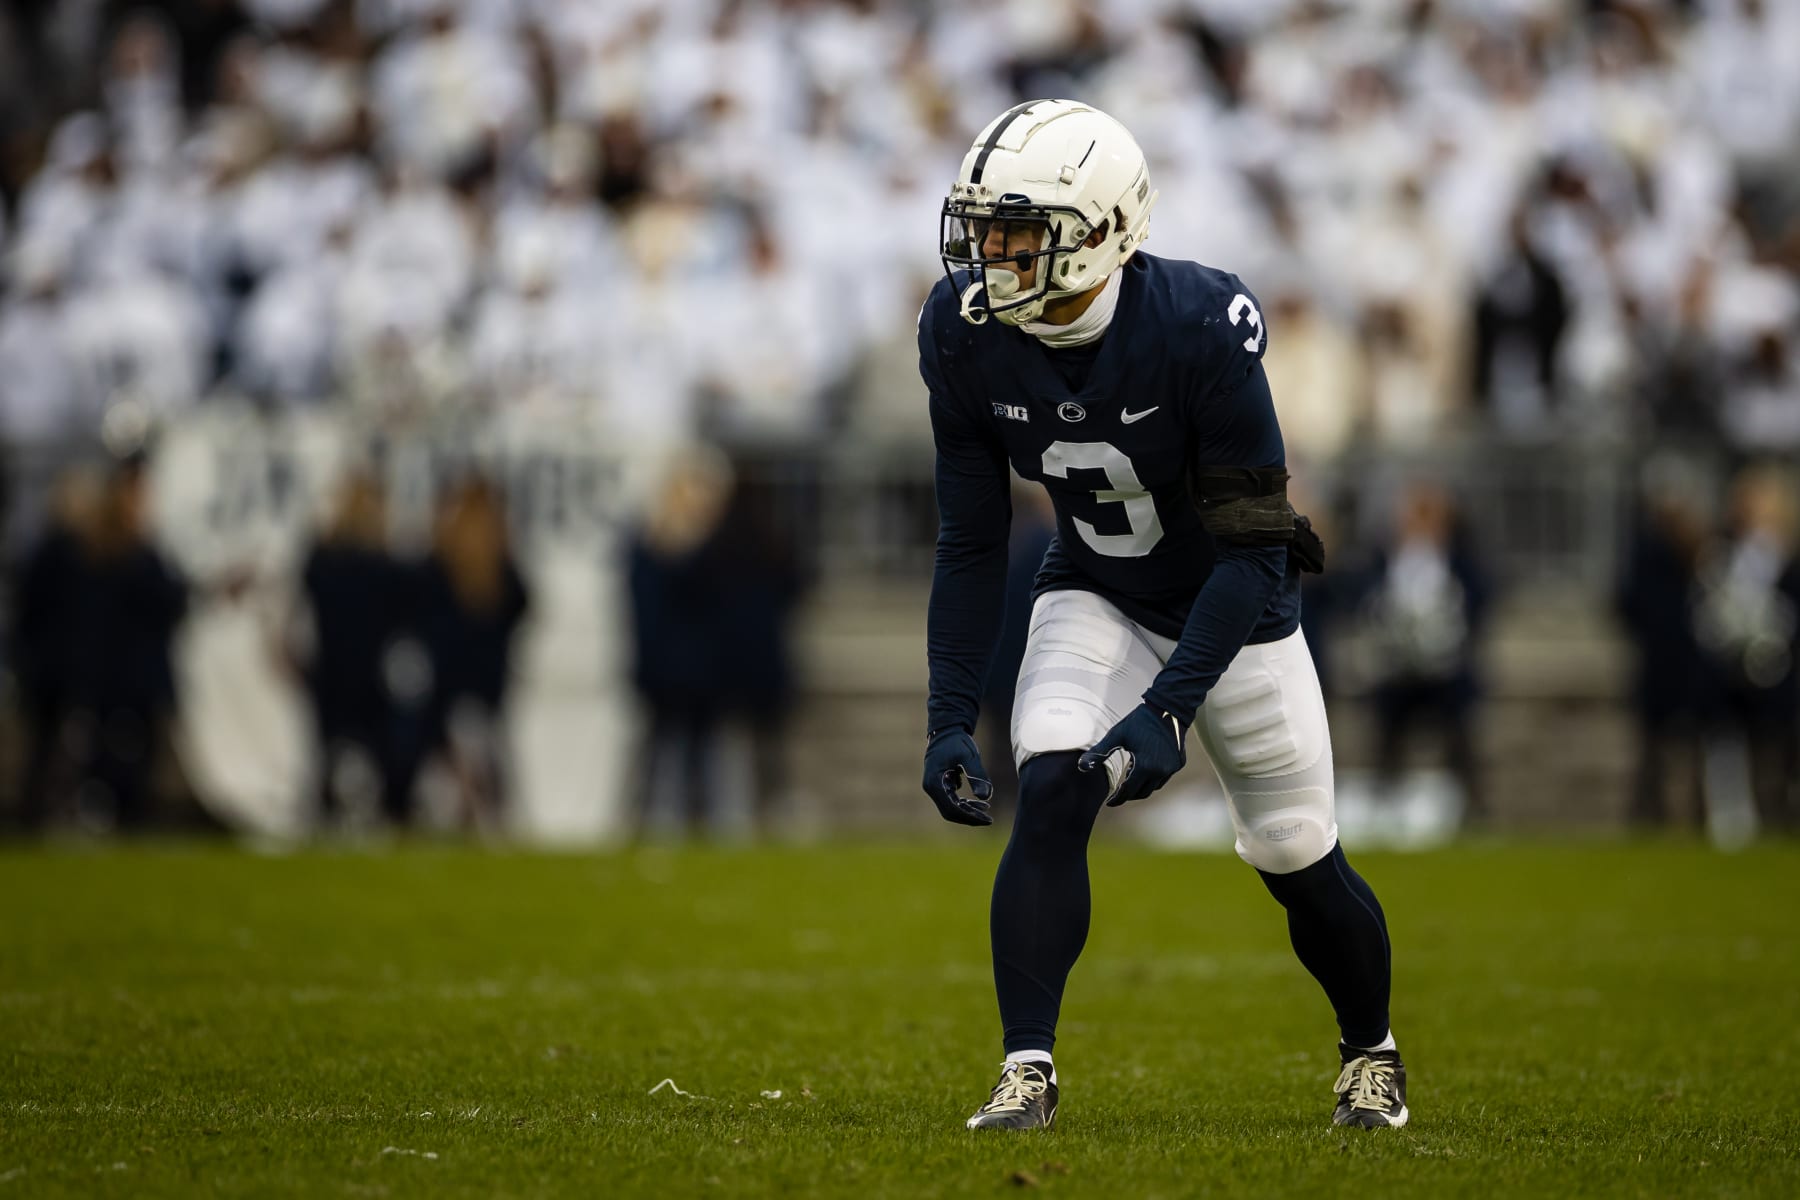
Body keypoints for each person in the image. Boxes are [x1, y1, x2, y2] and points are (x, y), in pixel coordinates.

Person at [919, 100, 1403, 1132]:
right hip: (1095, 582)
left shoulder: (1197, 324)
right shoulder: (960, 335)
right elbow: (967, 541)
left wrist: (1171, 708)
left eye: (1020, 233)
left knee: (1295, 853)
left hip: (1240, 609)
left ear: (1101, 231)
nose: (990, 257)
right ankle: (1027, 1069)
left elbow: (1253, 545)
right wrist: (951, 711)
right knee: (1049, 779)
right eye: (985, 230)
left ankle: (1372, 1050)